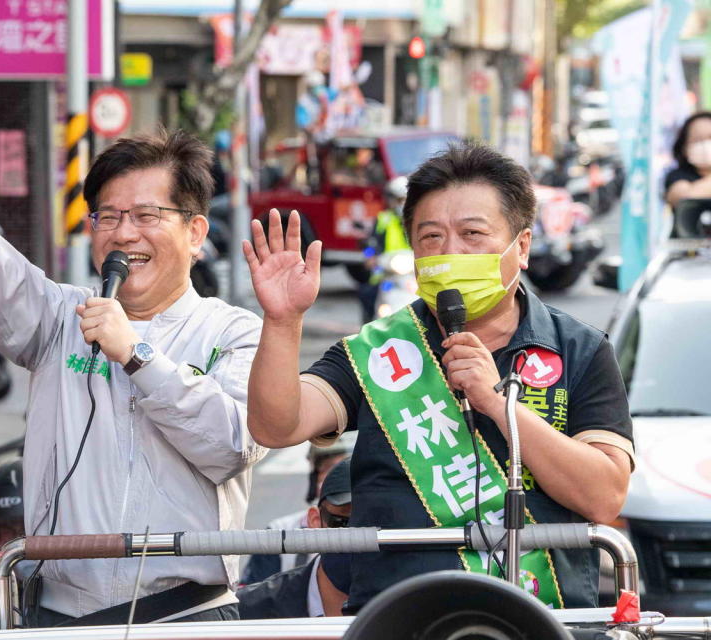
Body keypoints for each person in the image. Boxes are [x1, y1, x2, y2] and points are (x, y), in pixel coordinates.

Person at [0, 88, 265, 625]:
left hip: (183, 617)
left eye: (147, 215)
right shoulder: (62, 316)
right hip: (55, 618)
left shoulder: (236, 331)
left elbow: (230, 446)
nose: (124, 233)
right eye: (107, 216)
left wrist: (136, 354)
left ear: (195, 231)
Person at [243, 142, 634, 611]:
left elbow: (604, 496)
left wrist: (497, 403)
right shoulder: (379, 349)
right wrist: (284, 321)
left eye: (473, 234)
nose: (450, 253)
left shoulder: (579, 349)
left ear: (522, 247)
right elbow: (276, 425)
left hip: (538, 617)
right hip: (398, 615)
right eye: (431, 238)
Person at [237, 458, 353, 619]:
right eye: (344, 520)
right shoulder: (250, 609)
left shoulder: (400, 610)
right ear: (315, 520)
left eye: (379, 521)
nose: (360, 535)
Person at [240, 433, 356, 584]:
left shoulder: (392, 532)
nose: (342, 480)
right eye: (330, 469)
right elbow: (252, 596)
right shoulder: (281, 531)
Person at [357, 176, 411, 323]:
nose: (401, 204)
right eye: (398, 200)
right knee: (367, 292)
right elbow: (370, 244)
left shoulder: (417, 220)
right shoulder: (383, 219)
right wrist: (370, 257)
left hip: (413, 272)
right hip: (386, 273)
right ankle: (368, 328)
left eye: (405, 199)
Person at [665, 111, 711, 208]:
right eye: (697, 140)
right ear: (685, 148)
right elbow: (685, 198)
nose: (706, 144)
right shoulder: (677, 176)